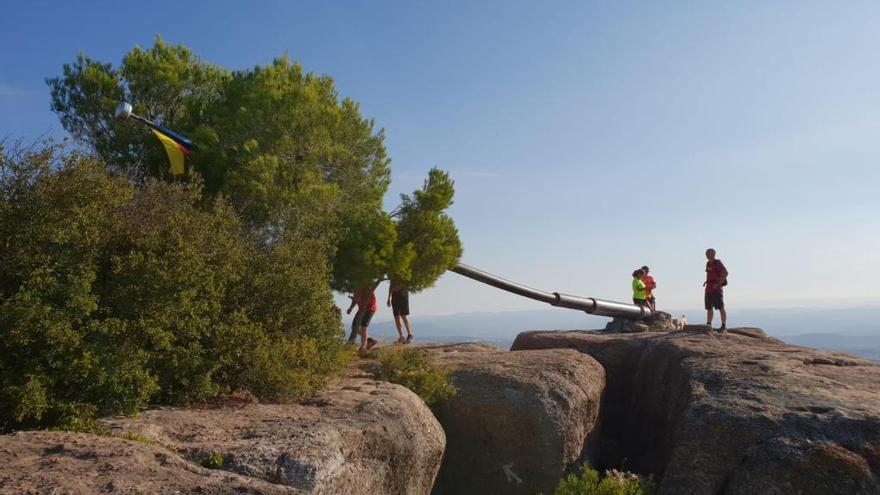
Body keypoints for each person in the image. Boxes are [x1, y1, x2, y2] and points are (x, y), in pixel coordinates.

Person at [346, 285, 378, 351]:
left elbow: (373, 298)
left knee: (364, 327)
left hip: (370, 308)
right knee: (354, 327)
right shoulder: (356, 287)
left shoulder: (368, 286)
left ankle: (363, 347)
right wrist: (350, 308)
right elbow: (355, 299)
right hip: (361, 309)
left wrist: (361, 300)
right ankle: (370, 340)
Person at [704, 248, 728, 332]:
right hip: (708, 288)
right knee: (709, 308)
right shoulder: (708, 263)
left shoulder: (718, 262)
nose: (707, 255)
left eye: (709, 253)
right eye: (706, 253)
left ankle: (723, 326)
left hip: (716, 289)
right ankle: (708, 324)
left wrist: (718, 283)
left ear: (714, 254)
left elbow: (725, 273)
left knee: (720, 307)